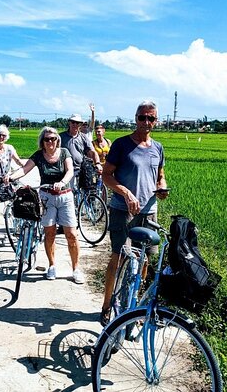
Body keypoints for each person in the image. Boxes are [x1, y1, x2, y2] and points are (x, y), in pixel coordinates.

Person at [99, 100, 169, 325]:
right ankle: (107, 304)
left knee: (145, 259)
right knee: (118, 257)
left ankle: (134, 306)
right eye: (142, 117)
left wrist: (161, 188)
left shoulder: (158, 148)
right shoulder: (121, 145)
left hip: (149, 211)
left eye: (151, 118)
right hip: (122, 210)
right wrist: (126, 193)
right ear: (135, 118)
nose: (146, 122)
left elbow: (160, 175)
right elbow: (107, 176)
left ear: (155, 121)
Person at [10, 127, 85, 284]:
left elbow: (70, 171)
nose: (50, 142)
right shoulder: (38, 156)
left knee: (71, 234)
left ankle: (76, 268)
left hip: (65, 197)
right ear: (42, 142)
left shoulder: (64, 152)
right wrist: (10, 177)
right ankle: (52, 266)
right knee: (49, 233)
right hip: (46, 198)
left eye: (53, 138)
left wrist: (62, 182)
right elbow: (24, 169)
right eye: (47, 139)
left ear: (57, 140)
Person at [0, 124, 23, 248]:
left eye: (3, 135)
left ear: (6, 137)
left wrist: (24, 168)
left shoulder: (9, 149)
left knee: (15, 206)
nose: (1, 137)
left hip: (6, 183)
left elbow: (17, 160)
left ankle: (15, 228)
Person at [60, 113, 103, 187]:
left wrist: (98, 163)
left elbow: (92, 151)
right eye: (73, 122)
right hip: (65, 170)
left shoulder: (83, 137)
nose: (75, 125)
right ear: (69, 123)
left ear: (80, 125)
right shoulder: (61, 137)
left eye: (77, 123)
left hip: (80, 169)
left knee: (85, 189)